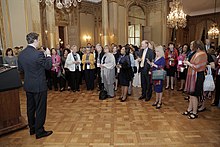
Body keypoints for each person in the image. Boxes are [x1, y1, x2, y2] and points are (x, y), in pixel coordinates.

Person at [17, 32, 53, 139]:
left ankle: (32, 128)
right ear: (35, 40)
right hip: (39, 85)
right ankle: (40, 131)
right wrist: (48, 55)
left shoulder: (21, 54)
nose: (39, 42)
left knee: (30, 107)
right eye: (38, 40)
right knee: (40, 108)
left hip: (28, 85)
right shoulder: (38, 54)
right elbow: (48, 66)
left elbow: (21, 70)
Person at [183, 40, 207, 119]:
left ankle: (195, 112)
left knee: (194, 94)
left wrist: (188, 63)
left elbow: (197, 67)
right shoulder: (196, 53)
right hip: (193, 75)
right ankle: (190, 109)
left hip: (198, 76)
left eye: (193, 45)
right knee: (191, 94)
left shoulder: (203, 54)